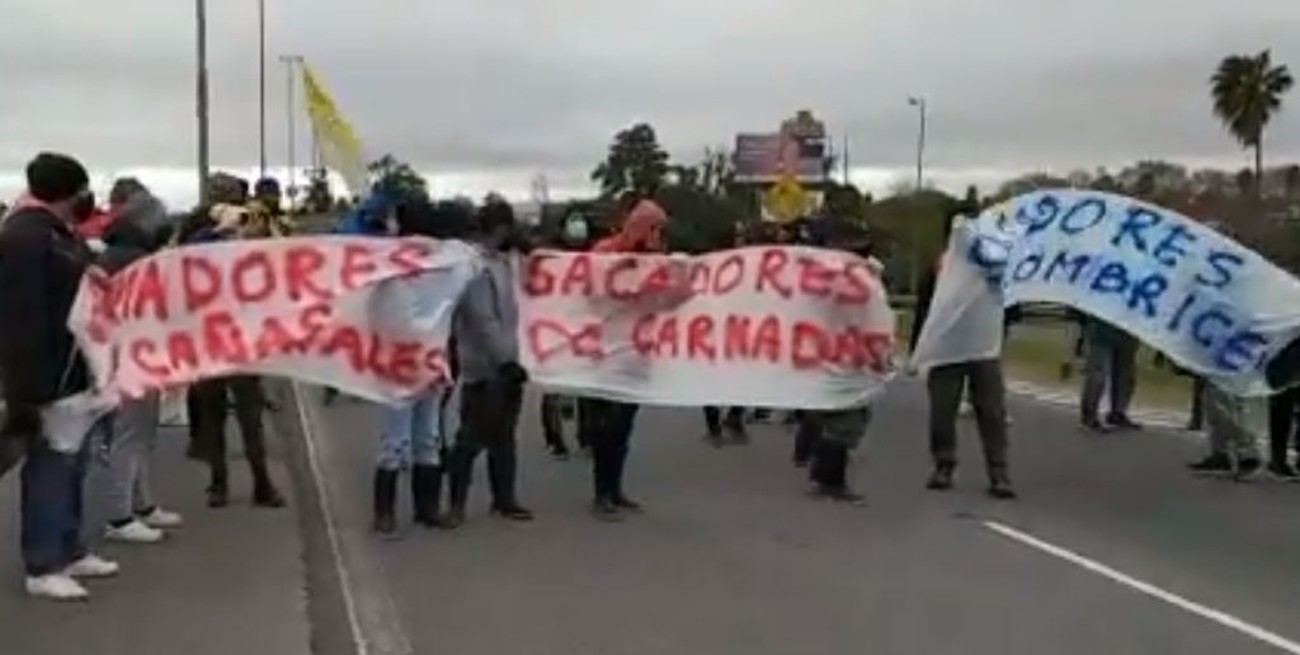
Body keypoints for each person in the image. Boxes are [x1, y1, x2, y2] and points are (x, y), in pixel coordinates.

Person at [0, 152, 120, 600]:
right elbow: (22, 319)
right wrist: (30, 389)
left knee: (72, 465)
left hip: (74, 372)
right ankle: (44, 562)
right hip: (50, 376)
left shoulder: (56, 236)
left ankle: (69, 548)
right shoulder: (26, 239)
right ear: (72, 192)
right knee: (51, 467)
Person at [181, 176, 287, 509]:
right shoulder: (196, 230)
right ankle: (231, 483)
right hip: (215, 332)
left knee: (243, 415)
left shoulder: (252, 226)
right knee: (227, 414)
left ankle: (241, 483)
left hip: (233, 333)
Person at [370, 199, 467, 535]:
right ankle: (424, 509)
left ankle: (390, 512)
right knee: (428, 436)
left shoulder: (387, 262)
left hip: (400, 361)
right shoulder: (449, 261)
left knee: (396, 441)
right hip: (431, 358)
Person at [96, 186, 184, 544]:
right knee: (130, 436)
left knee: (140, 434)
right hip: (130, 357)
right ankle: (120, 514)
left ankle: (141, 504)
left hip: (132, 354)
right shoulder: (133, 261)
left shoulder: (118, 255)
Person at [911, 209, 1017, 500]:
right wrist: (920, 351)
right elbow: (925, 308)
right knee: (943, 411)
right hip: (947, 348)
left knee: (992, 412)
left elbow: (1010, 300)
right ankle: (944, 465)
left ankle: (999, 472)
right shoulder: (941, 267)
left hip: (984, 348)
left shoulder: (993, 263)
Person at [445, 199, 534, 526]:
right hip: (485, 367)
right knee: (471, 438)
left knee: (504, 436)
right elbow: (483, 319)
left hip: (507, 361)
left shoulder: (503, 262)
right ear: (500, 228)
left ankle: (504, 498)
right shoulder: (476, 266)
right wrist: (504, 360)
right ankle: (456, 504)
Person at [580, 197, 669, 520]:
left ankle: (615, 489)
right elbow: (590, 294)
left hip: (636, 354)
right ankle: (601, 494)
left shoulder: (654, 260)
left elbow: (665, 300)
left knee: (623, 429)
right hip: (606, 353)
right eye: (655, 228)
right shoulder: (606, 253)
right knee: (606, 428)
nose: (659, 235)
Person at [539, 212, 593, 459]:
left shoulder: (592, 257)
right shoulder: (550, 258)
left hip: (582, 329)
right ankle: (555, 440)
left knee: (585, 386)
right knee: (552, 389)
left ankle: (586, 435)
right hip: (554, 329)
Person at [1078, 316, 1141, 432]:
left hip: (1129, 324)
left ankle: (1118, 413)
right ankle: (1089, 417)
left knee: (1126, 374)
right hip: (1102, 326)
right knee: (1098, 374)